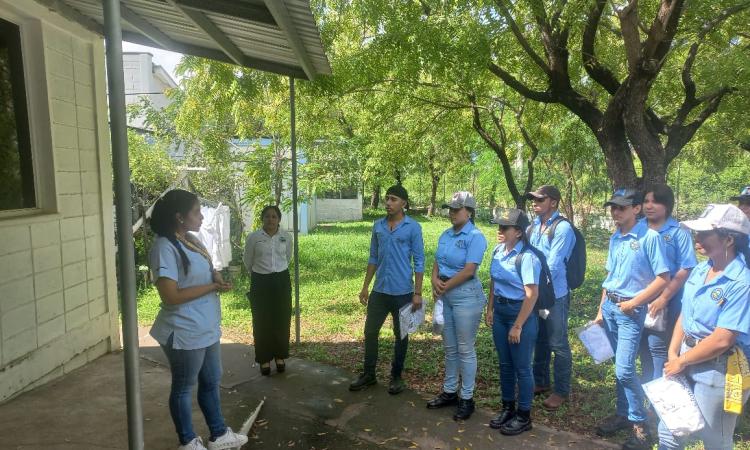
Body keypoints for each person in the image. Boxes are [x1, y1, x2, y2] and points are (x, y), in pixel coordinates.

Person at [148, 189, 248, 450]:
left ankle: (218, 434)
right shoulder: (164, 247)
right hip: (183, 330)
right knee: (184, 387)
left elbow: (206, 267)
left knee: (212, 379)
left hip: (206, 326)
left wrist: (215, 277)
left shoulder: (191, 239)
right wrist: (211, 288)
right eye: (196, 211)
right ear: (179, 217)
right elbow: (171, 295)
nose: (202, 216)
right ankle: (188, 441)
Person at [657, 204, 750, 450]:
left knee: (714, 442)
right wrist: (673, 354)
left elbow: (722, 339)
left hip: (718, 371)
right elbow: (685, 315)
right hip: (684, 359)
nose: (697, 239)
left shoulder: (742, 283)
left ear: (729, 239)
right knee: (669, 434)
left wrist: (682, 360)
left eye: (704, 234)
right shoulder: (701, 269)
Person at [594, 188, 670, 450]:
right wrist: (601, 309)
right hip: (612, 308)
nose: (616, 212)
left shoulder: (650, 238)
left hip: (630, 312)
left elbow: (663, 279)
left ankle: (641, 427)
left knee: (624, 369)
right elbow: (610, 275)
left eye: (622, 207)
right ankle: (622, 413)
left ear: (636, 209)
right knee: (619, 366)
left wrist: (635, 303)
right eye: (613, 207)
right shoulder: (615, 237)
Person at [349, 185, 425, 394]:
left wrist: (417, 293)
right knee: (370, 331)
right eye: (387, 199)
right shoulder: (378, 226)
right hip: (380, 291)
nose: (388, 203)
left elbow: (419, 261)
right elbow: (373, 257)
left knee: (401, 335)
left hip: (403, 292)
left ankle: (396, 376)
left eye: (393, 199)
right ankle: (369, 374)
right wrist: (365, 286)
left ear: (404, 203)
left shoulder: (413, 227)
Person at [426, 192, 487, 421]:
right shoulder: (445, 234)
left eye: (456, 209)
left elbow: (470, 270)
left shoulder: (475, 236)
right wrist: (435, 281)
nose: (452, 213)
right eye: (450, 209)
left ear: (469, 212)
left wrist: (446, 286)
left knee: (465, 348)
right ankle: (450, 391)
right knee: (450, 348)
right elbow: (437, 261)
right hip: (446, 294)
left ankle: (467, 398)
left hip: (465, 296)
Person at [485, 208, 540, 436]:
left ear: (518, 232)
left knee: (522, 367)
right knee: (505, 365)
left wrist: (518, 325)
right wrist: (490, 308)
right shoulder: (498, 251)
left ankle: (523, 415)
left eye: (504, 228)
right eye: (498, 226)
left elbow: (532, 294)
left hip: (521, 314)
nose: (499, 231)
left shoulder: (527, 258)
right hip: (500, 311)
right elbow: (493, 281)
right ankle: (508, 407)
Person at [638, 185, 697, 383]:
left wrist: (664, 298)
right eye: (646, 201)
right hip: (638, 296)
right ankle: (647, 385)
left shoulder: (678, 232)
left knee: (657, 346)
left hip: (666, 299)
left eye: (655, 201)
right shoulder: (638, 228)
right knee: (640, 345)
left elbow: (686, 268)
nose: (649, 206)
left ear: (667, 205)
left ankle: (659, 394)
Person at [526, 185, 576, 410]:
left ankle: (561, 390)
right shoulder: (533, 226)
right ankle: (541, 381)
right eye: (533, 199)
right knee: (541, 338)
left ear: (553, 202)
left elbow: (554, 265)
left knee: (557, 342)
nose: (534, 202)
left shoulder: (563, 228)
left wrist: (530, 281)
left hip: (554, 295)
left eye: (540, 199)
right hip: (537, 294)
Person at [243, 205, 293, 376]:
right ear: (262, 219)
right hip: (260, 281)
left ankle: (280, 356)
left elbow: (288, 256)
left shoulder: (286, 237)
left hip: (281, 280)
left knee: (281, 317)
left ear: (279, 219)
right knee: (261, 319)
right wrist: (260, 274)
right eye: (267, 216)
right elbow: (248, 260)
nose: (270, 220)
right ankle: (264, 359)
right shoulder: (253, 237)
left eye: (274, 217)